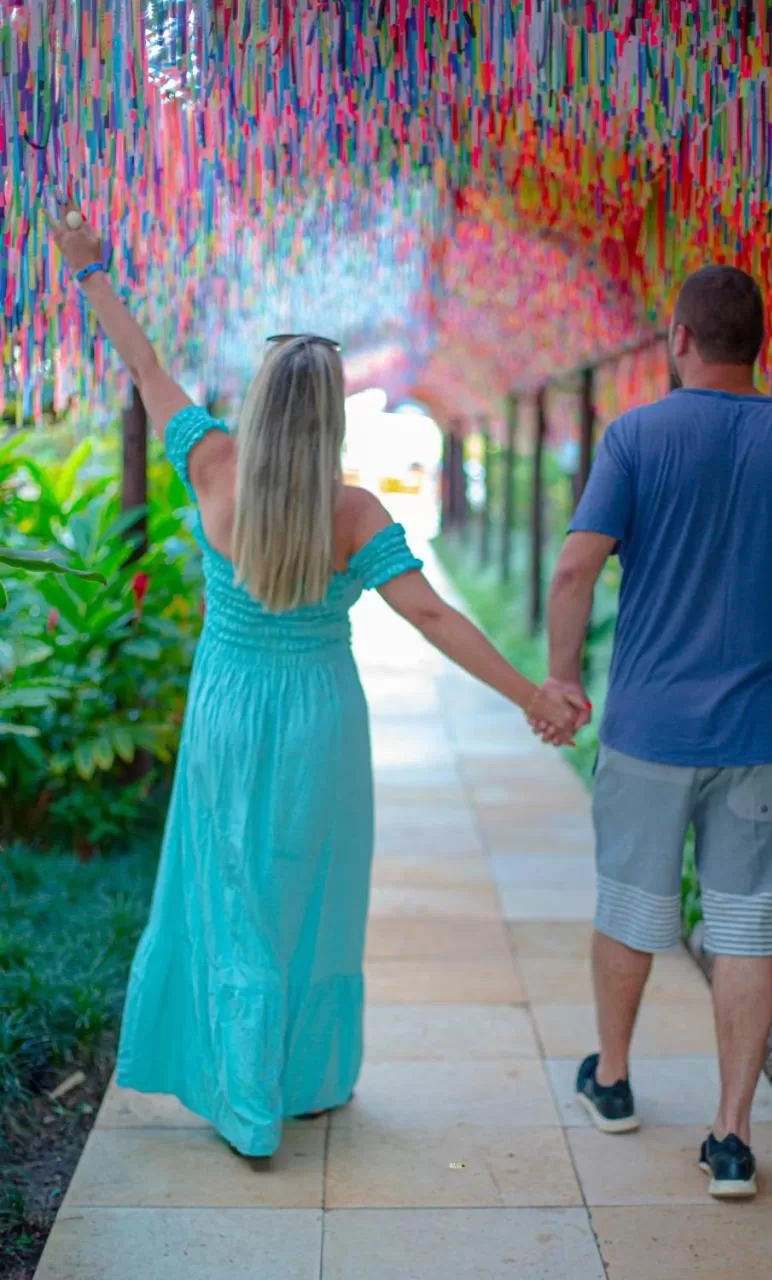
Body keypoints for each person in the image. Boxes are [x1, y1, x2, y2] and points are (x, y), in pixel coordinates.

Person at [46, 200, 578, 1159]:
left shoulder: (211, 463)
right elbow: (432, 615)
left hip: (225, 708)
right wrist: (532, 695)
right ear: (333, 415)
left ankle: (242, 1093)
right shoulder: (352, 512)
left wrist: (88, 268)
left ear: (258, 401)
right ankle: (302, 1082)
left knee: (229, 888)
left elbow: (146, 367)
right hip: (320, 716)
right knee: (312, 895)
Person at [542, 265, 772, 1199]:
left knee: (629, 909)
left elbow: (575, 571)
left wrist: (562, 679)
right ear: (759, 345)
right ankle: (730, 1138)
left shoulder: (637, 437)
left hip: (649, 730)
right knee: (745, 931)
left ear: (680, 339)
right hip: (764, 735)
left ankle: (611, 1081)